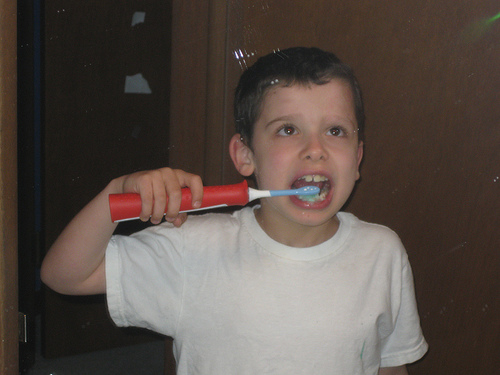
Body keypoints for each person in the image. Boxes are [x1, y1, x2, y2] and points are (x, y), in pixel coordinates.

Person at [41, 47, 428, 374]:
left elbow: (390, 362)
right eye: (288, 130)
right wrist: (116, 193)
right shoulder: (194, 248)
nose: (316, 148)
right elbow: (64, 276)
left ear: (357, 159)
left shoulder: (383, 252)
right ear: (245, 156)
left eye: (336, 131)